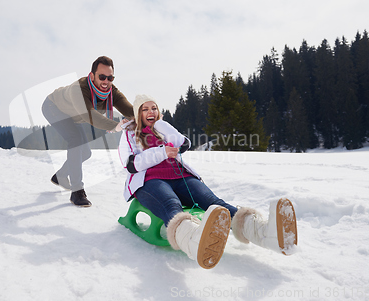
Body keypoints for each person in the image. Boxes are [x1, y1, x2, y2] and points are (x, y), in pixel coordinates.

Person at [118, 95, 298, 269]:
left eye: (154, 108)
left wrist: (164, 126)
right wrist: (161, 152)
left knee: (214, 203)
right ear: (137, 114)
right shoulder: (129, 134)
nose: (151, 112)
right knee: (171, 204)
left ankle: (264, 233)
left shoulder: (163, 130)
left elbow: (184, 144)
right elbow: (131, 165)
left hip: (181, 176)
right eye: (145, 109)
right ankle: (192, 242)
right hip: (150, 181)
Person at [42, 56, 134, 207]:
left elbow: (130, 110)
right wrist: (116, 126)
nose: (106, 81)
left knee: (85, 153)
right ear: (92, 75)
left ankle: (61, 175)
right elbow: (89, 116)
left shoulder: (111, 92)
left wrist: (151, 118)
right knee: (75, 141)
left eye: (110, 77)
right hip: (54, 108)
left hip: (73, 117)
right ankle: (77, 192)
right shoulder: (79, 89)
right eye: (102, 77)